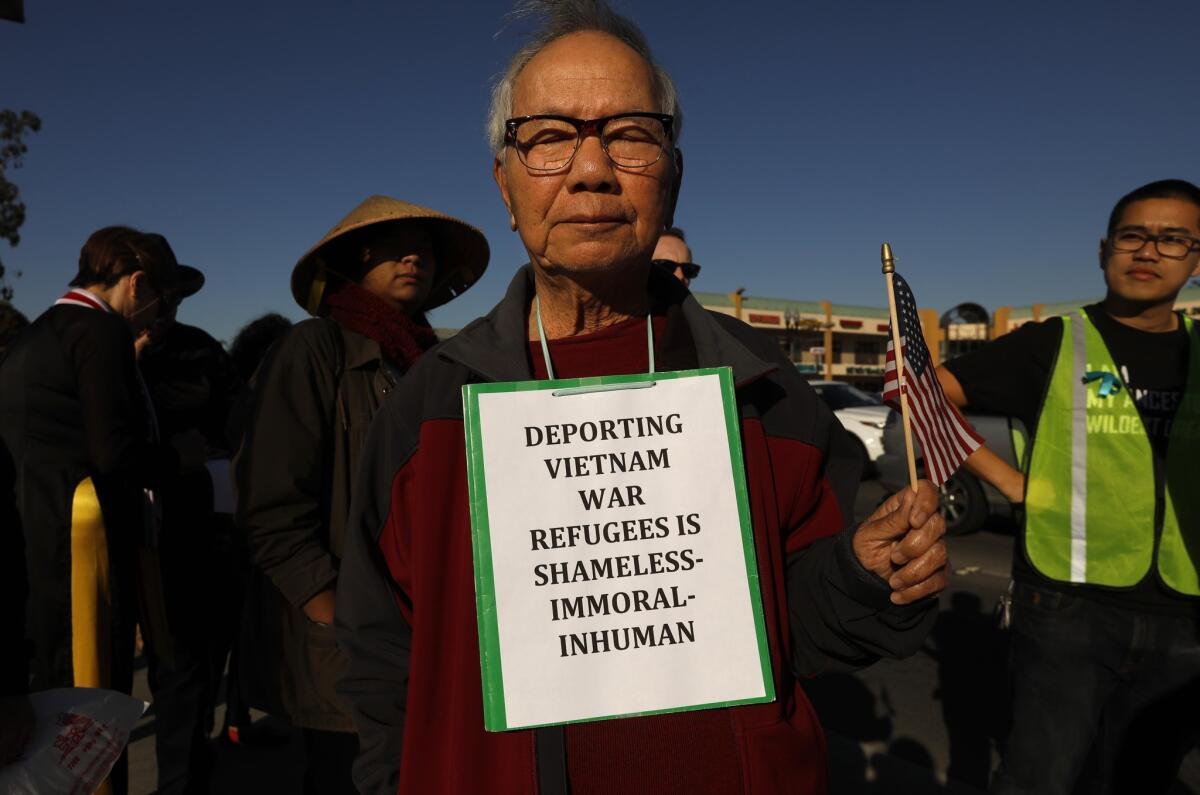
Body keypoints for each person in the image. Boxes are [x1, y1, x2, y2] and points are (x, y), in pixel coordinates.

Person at [334, 3, 947, 793]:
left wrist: (865, 575)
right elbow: (382, 650)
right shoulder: (431, 408)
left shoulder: (761, 385)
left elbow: (801, 618)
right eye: (550, 137)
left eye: (629, 133)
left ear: (674, 173)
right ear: (506, 184)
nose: (591, 169)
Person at [936, 179, 1200, 795]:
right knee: (1040, 778)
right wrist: (1007, 480)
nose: (1149, 251)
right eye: (1133, 235)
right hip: (1067, 602)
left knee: (1144, 779)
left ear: (1195, 260)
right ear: (1104, 249)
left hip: (1183, 609)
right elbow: (919, 391)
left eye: (1173, 240)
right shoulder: (1055, 341)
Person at [234, 195, 488, 793]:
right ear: (355, 259)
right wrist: (343, 619)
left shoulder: (433, 363)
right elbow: (271, 511)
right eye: (392, 248)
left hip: (424, 636)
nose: (413, 259)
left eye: (425, 250)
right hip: (341, 651)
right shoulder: (312, 349)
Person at [0, 225, 204, 794]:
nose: (155, 319)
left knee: (49, 693)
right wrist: (177, 459)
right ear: (137, 284)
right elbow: (113, 452)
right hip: (79, 542)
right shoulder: (101, 329)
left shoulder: (42, 331)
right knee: (88, 699)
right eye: (160, 301)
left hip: (31, 534)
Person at [138, 266, 244, 794]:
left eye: (175, 297)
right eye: (161, 295)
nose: (168, 306)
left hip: (211, 524)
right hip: (150, 533)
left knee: (204, 659)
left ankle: (195, 764)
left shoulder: (201, 349)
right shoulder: (115, 354)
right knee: (174, 665)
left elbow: (237, 417)